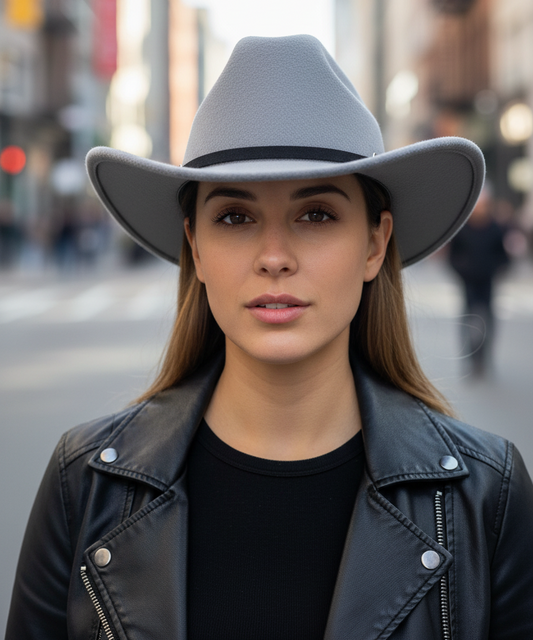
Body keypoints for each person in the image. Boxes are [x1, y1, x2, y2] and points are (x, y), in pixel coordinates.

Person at [6, 35, 533, 639]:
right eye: (235, 216)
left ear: (375, 243)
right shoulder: (86, 483)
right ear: (195, 248)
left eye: (316, 214)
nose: (274, 256)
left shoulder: (485, 495)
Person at [449, 185, 509, 376]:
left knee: (487, 322)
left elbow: (503, 257)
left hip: (487, 284)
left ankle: (485, 359)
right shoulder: (463, 228)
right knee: (468, 322)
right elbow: (452, 257)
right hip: (468, 284)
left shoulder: (494, 228)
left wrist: (493, 269)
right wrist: (463, 270)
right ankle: (471, 360)